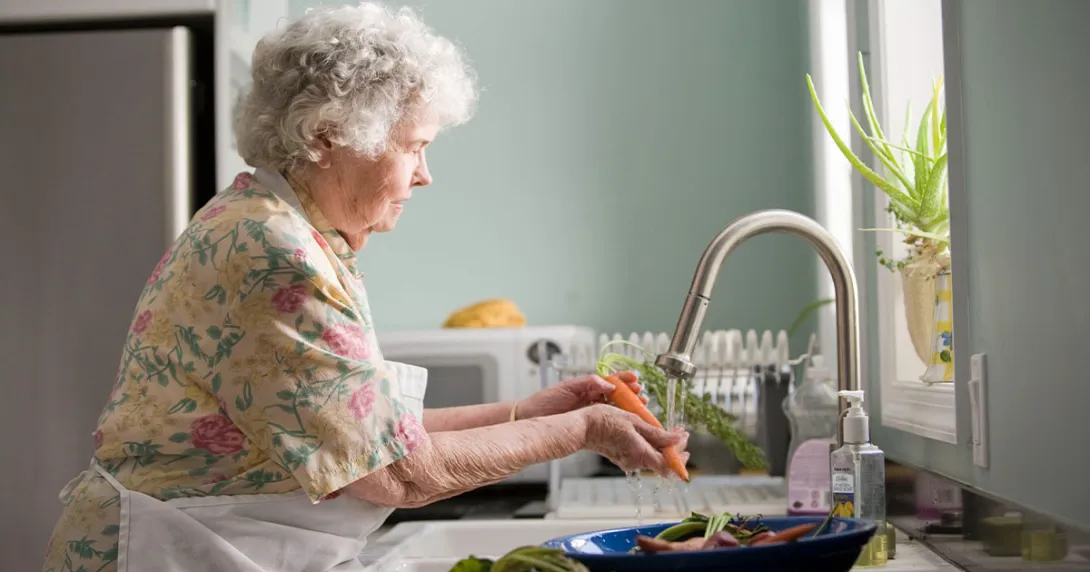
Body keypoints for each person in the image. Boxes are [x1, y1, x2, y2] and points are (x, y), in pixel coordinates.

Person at [42, 3, 689, 571]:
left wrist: (541, 409)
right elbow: (396, 472)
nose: (425, 175)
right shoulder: (275, 255)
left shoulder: (292, 234)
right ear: (328, 136)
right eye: (414, 147)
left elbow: (373, 432)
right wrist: (583, 431)